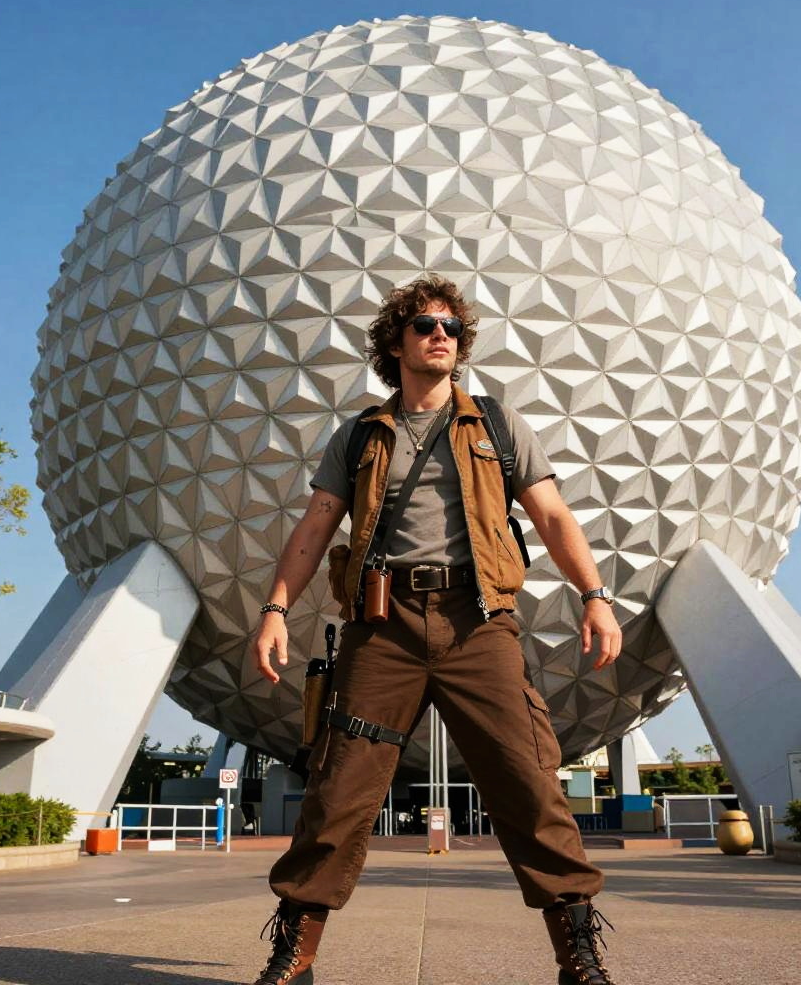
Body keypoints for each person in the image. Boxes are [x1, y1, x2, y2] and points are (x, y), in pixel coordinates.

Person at [251, 274, 622, 985]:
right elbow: (317, 525)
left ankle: (578, 954)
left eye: (451, 327)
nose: (441, 336)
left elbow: (552, 515)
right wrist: (274, 610)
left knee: (528, 781)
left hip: (477, 623)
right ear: (396, 343)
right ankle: (295, 953)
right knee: (339, 787)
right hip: (381, 627)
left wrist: (595, 596)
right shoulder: (361, 435)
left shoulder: (496, 425)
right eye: (425, 325)